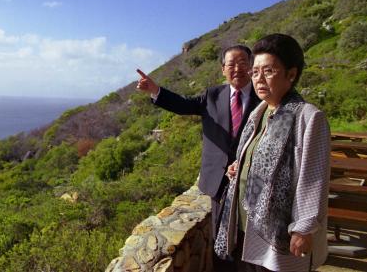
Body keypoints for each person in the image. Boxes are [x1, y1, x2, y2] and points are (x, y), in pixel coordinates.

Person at [137, 45, 260, 271]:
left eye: (243, 63)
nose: (237, 68)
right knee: (220, 241)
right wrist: (155, 90)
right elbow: (184, 105)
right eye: (231, 64)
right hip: (218, 182)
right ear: (223, 69)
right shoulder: (212, 95)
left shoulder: (263, 99)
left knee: (248, 239)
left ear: (252, 67)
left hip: (251, 183)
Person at [214, 34, 331, 272]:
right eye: (255, 72)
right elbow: (259, 157)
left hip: (280, 233)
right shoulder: (260, 113)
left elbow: (314, 177)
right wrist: (240, 165)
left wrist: (304, 228)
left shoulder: (308, 117)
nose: (259, 79)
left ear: (291, 74)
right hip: (245, 227)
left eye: (268, 71)